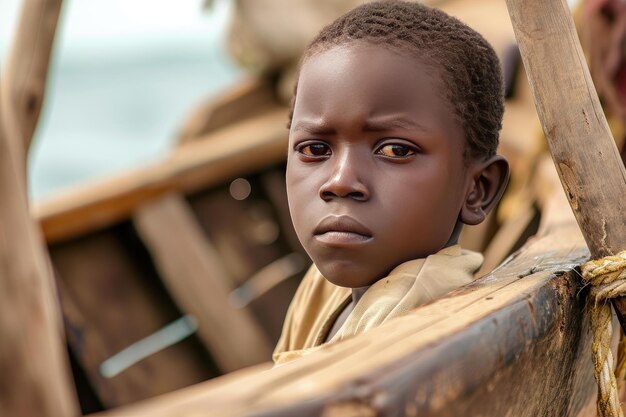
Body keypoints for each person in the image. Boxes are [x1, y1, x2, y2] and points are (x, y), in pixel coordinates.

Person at [273, 0, 510, 365]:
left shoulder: (412, 324)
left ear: (478, 188)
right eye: (315, 148)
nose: (340, 182)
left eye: (396, 151)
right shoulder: (322, 286)